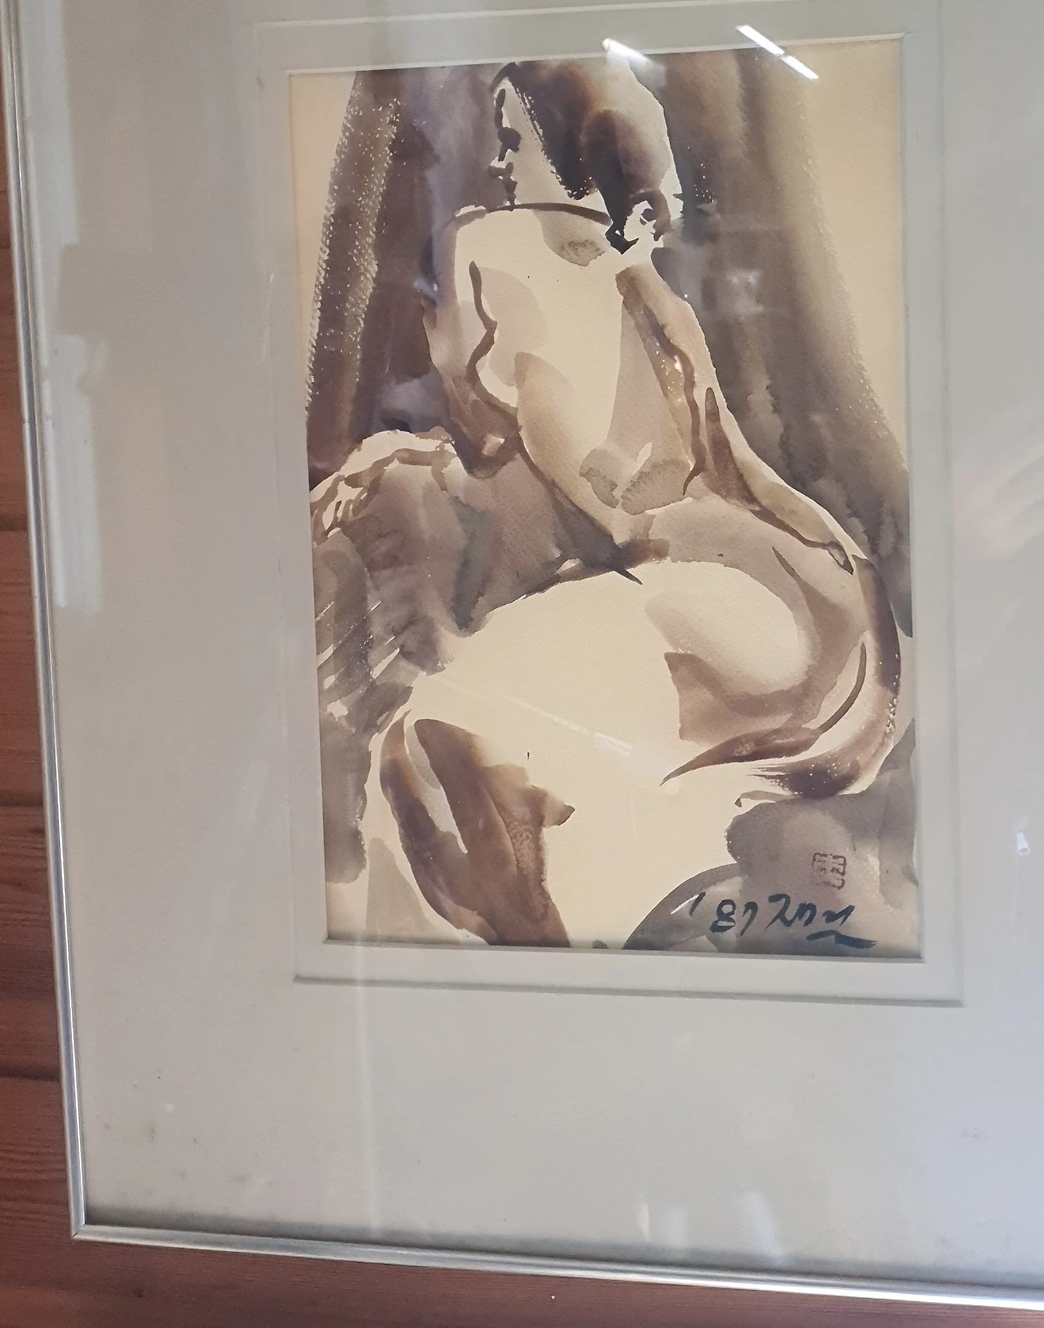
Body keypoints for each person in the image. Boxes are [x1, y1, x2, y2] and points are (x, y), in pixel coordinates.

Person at [312, 53, 904, 949]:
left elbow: (556, 443)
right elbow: (718, 466)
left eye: (514, 139)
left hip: (679, 575)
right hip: (764, 582)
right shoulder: (652, 294)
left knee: (444, 742)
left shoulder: (503, 250)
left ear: (572, 149)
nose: (499, 162)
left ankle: (538, 955)